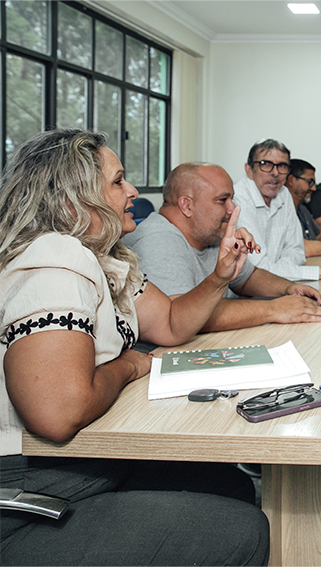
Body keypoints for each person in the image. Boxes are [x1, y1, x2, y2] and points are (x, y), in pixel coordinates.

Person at [0, 129, 269, 565]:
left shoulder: (103, 256)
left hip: (81, 462)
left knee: (227, 484)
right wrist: (130, 365)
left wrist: (221, 275)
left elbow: (170, 321)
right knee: (244, 531)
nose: (133, 192)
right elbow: (57, 413)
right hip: (27, 489)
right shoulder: (54, 259)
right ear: (72, 202)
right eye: (117, 181)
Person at [123, 162, 321, 332]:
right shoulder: (158, 241)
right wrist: (274, 309)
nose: (232, 208)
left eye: (231, 199)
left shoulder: (210, 234)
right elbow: (180, 318)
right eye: (222, 200)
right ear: (186, 205)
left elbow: (248, 278)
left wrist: (289, 289)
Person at [232, 139, 321, 280]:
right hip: (242, 290)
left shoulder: (283, 194)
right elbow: (258, 268)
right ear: (249, 170)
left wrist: (283, 269)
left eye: (282, 166)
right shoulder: (238, 199)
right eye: (266, 164)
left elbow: (297, 251)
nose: (275, 173)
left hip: (277, 283)